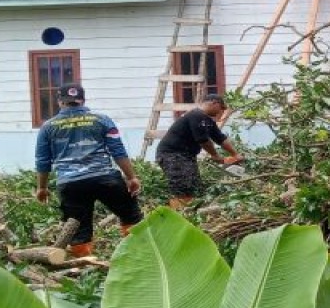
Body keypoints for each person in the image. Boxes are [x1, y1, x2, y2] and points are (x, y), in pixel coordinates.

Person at [34, 84, 142, 257]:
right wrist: (132, 177)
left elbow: (43, 161)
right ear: (82, 100)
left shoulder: (48, 127)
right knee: (132, 217)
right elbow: (118, 150)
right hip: (105, 179)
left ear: (60, 102)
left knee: (79, 230)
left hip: (70, 184)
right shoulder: (102, 119)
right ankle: (138, 256)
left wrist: (42, 188)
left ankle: (85, 267)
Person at [155, 93, 242, 210]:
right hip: (172, 155)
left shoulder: (207, 121)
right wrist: (215, 156)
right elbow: (203, 140)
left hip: (187, 156)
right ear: (213, 103)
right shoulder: (196, 115)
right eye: (220, 108)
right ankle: (180, 214)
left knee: (194, 186)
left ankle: (190, 213)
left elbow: (220, 138)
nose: (220, 112)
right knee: (182, 186)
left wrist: (235, 154)